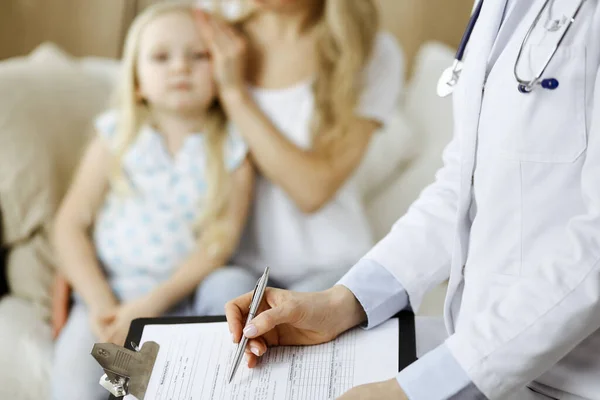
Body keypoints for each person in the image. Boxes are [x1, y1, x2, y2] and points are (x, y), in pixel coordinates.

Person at [226, 1, 600, 399]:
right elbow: (463, 183)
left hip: (573, 380)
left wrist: (416, 390)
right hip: (482, 358)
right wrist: (341, 301)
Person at [50, 3, 254, 399]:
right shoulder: (116, 137)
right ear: (137, 80)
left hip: (184, 295)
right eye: (161, 57)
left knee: (234, 283)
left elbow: (220, 242)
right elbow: (69, 224)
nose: (181, 67)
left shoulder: (233, 146)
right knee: (73, 388)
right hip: (112, 294)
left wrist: (152, 305)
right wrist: (100, 304)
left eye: (199, 56)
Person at [193, 0, 403, 314]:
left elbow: (312, 191)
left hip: (329, 262)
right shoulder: (212, 35)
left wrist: (235, 94)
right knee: (223, 295)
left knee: (298, 322)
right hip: (231, 262)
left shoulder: (369, 50)